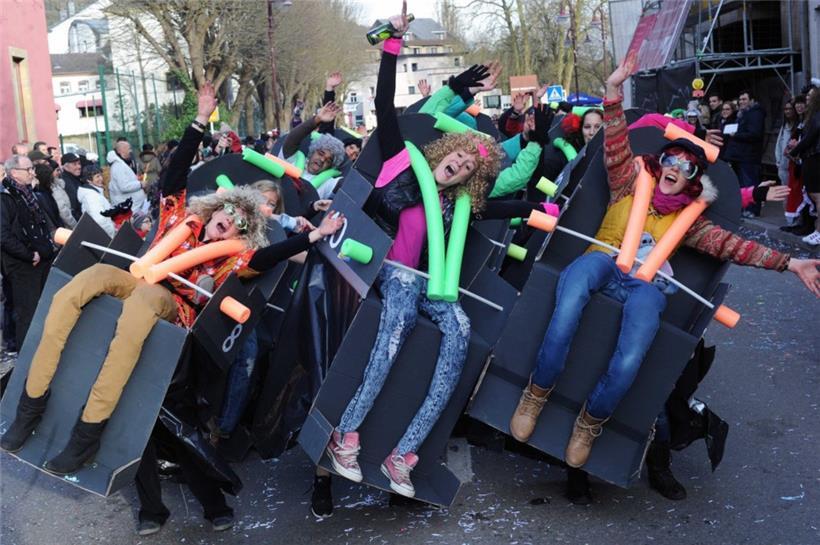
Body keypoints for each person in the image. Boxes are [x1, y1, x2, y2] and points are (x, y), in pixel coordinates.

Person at [0, 82, 345, 481]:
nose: (231, 220)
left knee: (139, 309)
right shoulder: (180, 217)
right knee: (80, 285)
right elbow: (176, 172)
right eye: (230, 211)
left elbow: (269, 256)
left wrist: (314, 236)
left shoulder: (234, 256)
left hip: (172, 303)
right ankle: (30, 405)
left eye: (240, 222)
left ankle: (88, 431)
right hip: (137, 275)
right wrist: (199, 120)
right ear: (217, 207)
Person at [509, 54, 820, 478]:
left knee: (632, 355)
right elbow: (615, 141)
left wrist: (791, 263)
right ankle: (536, 393)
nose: (675, 167)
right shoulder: (628, 183)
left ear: (693, 179)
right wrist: (613, 89)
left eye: (685, 166)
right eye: (670, 160)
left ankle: (591, 421)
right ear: (660, 164)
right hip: (603, 261)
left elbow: (734, 246)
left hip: (646, 284)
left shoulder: (691, 220)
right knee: (569, 300)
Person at [325, 3, 545, 500]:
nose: (461, 165)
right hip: (387, 269)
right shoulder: (403, 163)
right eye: (459, 156)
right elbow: (385, 103)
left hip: (430, 285)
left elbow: (506, 203)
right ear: (446, 152)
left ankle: (404, 454)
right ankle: (347, 434)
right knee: (399, 320)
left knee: (460, 331)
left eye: (469, 167)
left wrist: (540, 200)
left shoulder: (457, 204)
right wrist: (393, 45)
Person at [0, 155, 56, 351]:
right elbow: (3, 236)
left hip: (41, 260)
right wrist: (29, 255)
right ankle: (28, 358)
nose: (33, 173)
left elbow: (41, 224)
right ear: (14, 172)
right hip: (23, 265)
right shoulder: (5, 197)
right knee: (28, 314)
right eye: (29, 169)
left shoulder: (27, 193)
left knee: (43, 310)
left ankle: (44, 352)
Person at [723, 90, 766, 217]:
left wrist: (736, 135)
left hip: (749, 156)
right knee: (744, 183)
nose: (741, 102)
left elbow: (755, 134)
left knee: (750, 182)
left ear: (752, 100)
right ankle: (746, 208)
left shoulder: (755, 114)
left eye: (744, 99)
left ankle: (752, 210)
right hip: (741, 156)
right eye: (740, 99)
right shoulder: (743, 113)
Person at [788, 89, 820, 245]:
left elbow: (809, 138)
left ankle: (819, 232)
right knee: (815, 196)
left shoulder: (817, 115)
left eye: (809, 96)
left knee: (817, 196)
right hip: (812, 157)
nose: (807, 98)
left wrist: (794, 151)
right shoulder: (814, 115)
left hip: (814, 158)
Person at [77, 164, 117, 237]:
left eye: (101, 175)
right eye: (97, 176)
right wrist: (113, 233)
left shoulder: (94, 192)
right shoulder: (92, 196)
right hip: (107, 236)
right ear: (89, 180)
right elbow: (100, 221)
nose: (101, 178)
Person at [108, 140, 148, 212]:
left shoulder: (121, 163)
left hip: (133, 206)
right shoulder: (118, 166)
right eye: (129, 149)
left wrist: (136, 180)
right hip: (130, 208)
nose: (130, 151)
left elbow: (126, 181)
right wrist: (140, 184)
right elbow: (124, 186)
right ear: (122, 150)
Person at [59, 152, 85, 221]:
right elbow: (74, 207)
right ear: (65, 166)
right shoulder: (66, 182)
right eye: (74, 164)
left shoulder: (76, 178)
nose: (79, 167)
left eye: (79, 163)